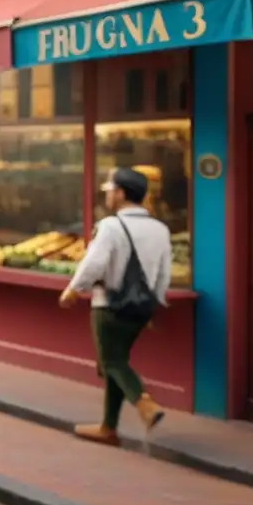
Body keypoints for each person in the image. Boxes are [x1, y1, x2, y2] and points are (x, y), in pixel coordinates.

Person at [60, 166, 172, 445]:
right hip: (140, 309)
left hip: (109, 306)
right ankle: (108, 428)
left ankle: (145, 405)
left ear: (121, 194)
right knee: (115, 363)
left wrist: (74, 289)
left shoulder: (111, 226)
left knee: (111, 362)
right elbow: (163, 274)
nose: (107, 197)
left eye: (110, 191)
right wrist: (153, 305)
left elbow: (94, 263)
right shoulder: (160, 229)